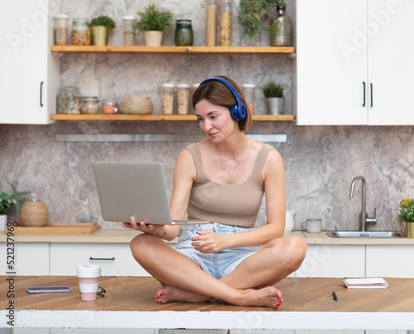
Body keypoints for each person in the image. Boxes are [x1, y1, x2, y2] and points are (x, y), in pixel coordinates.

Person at [123, 75, 307, 309]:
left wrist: (225, 241)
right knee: (141, 244)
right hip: (193, 257)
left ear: (237, 111)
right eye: (200, 119)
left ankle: (198, 294)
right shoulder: (190, 156)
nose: (206, 127)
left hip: (240, 258)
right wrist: (155, 229)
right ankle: (238, 295)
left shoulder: (269, 159)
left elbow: (275, 229)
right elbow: (172, 230)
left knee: (295, 247)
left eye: (213, 117)